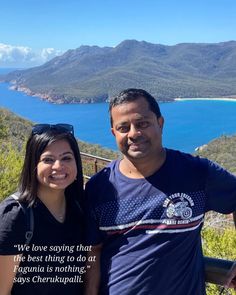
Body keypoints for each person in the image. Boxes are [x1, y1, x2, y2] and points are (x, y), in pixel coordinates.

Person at [84, 88, 236, 295]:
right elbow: (93, 252)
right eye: (123, 127)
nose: (133, 134)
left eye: (142, 124)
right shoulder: (99, 187)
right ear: (114, 133)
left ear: (160, 123)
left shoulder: (197, 173)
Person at [0, 123, 85, 295]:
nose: (58, 166)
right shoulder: (16, 215)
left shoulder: (79, 208)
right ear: (33, 164)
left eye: (67, 158)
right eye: (48, 159)